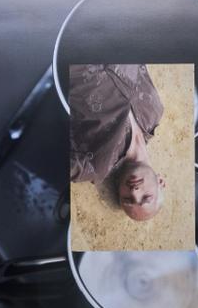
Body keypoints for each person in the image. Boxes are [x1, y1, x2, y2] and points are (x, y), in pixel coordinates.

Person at [68, 62, 167, 221]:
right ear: (160, 182)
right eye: (146, 197)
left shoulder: (92, 166)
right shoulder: (155, 111)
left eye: (127, 199)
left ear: (119, 191)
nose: (135, 192)